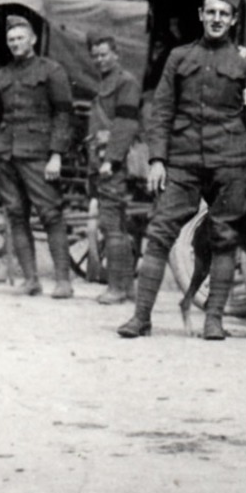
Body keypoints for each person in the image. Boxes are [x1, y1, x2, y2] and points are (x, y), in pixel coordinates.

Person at [118, 0, 246, 340]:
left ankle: (214, 320)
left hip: (231, 162)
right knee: (159, 232)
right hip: (183, 161)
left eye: (224, 14)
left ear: (233, 19)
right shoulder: (179, 58)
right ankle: (141, 317)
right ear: (200, 15)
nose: (217, 19)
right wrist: (157, 160)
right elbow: (161, 112)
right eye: (212, 13)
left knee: (224, 237)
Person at [0, 17, 74, 296]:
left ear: (32, 39)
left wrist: (56, 154)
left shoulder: (51, 70)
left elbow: (64, 114)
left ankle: (63, 282)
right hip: (5, 155)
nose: (15, 44)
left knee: (51, 214)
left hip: (38, 154)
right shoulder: (3, 75)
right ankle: (31, 280)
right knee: (16, 215)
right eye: (11, 40)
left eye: (20, 38)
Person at [86, 34, 143, 305]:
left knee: (111, 225)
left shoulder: (125, 82)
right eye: (95, 55)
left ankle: (116, 288)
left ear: (116, 54)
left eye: (104, 54)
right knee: (118, 224)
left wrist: (111, 160)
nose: (99, 60)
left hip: (112, 163)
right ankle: (128, 288)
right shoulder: (107, 82)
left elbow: (126, 124)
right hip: (101, 160)